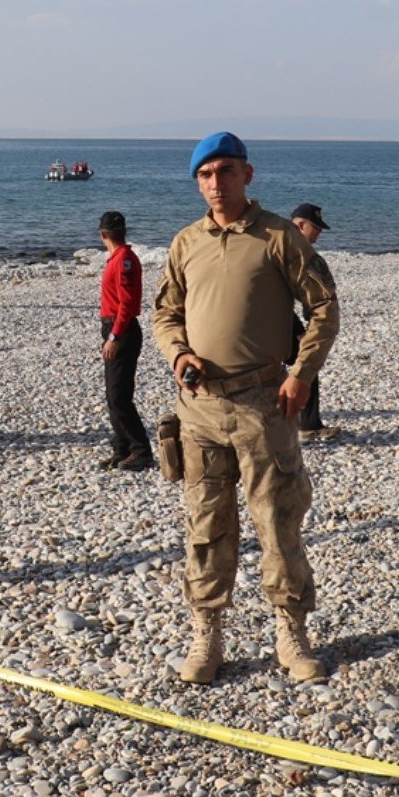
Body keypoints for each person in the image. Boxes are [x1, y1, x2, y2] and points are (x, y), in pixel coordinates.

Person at [153, 132, 339, 685]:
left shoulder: (280, 237)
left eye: (225, 172)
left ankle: (291, 631)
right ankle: (206, 633)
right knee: (206, 524)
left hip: (264, 403)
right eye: (206, 175)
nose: (216, 184)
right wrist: (178, 353)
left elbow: (324, 308)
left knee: (277, 521)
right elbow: (164, 314)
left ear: (247, 175)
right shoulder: (186, 242)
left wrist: (302, 375)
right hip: (200, 407)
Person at [98, 210, 152, 471]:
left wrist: (115, 336)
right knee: (113, 395)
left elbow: (128, 305)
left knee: (119, 396)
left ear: (102, 235)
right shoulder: (117, 258)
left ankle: (140, 450)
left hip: (122, 329)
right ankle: (122, 449)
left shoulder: (124, 260)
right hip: (115, 326)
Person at [288, 203, 336, 439]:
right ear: (300, 225)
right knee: (307, 362)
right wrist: (298, 331)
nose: (318, 234)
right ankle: (307, 425)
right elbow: (275, 297)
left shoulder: (288, 245)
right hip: (273, 322)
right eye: (315, 228)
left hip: (273, 321)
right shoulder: (289, 249)